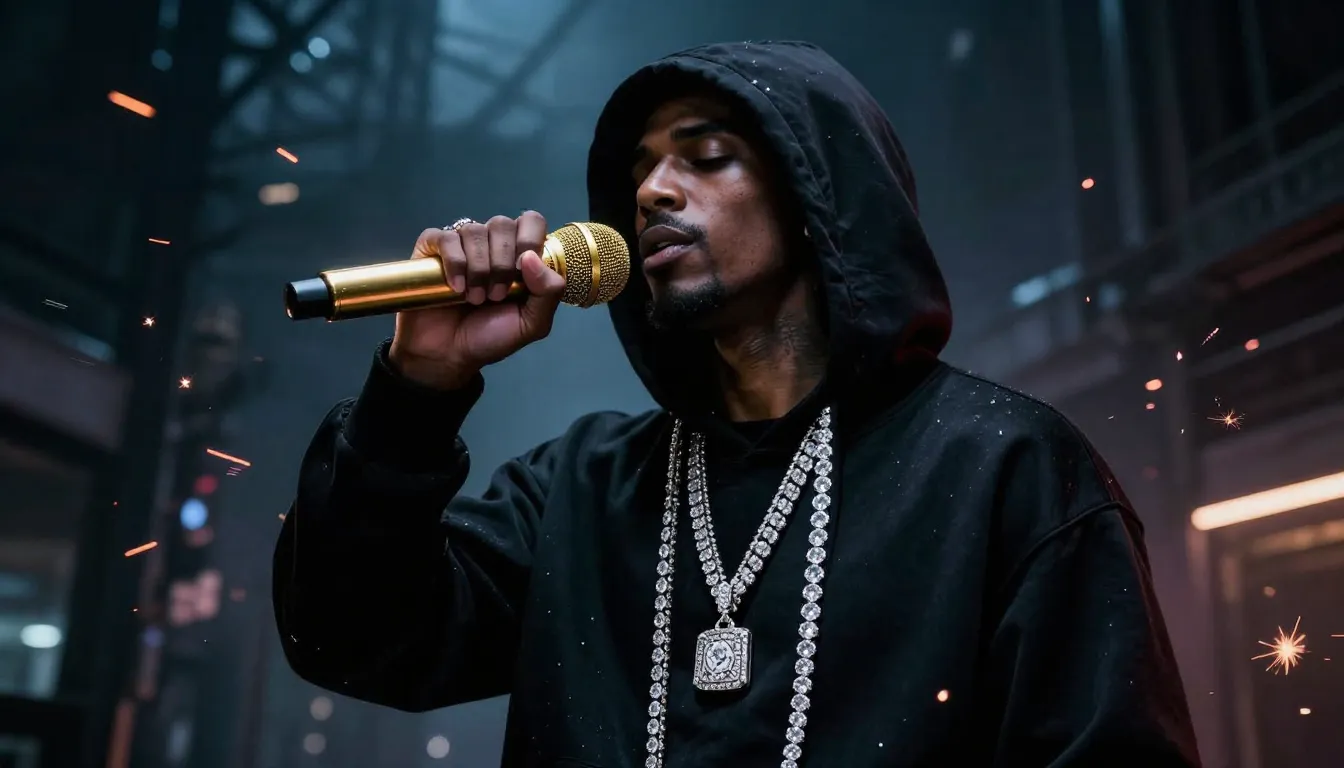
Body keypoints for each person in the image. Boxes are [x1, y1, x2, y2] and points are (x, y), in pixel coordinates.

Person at [273, 41, 1201, 767]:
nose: (651, 191)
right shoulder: (582, 487)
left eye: (707, 156)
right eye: (640, 170)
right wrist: (418, 388)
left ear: (817, 197)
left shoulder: (1005, 465)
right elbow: (348, 637)